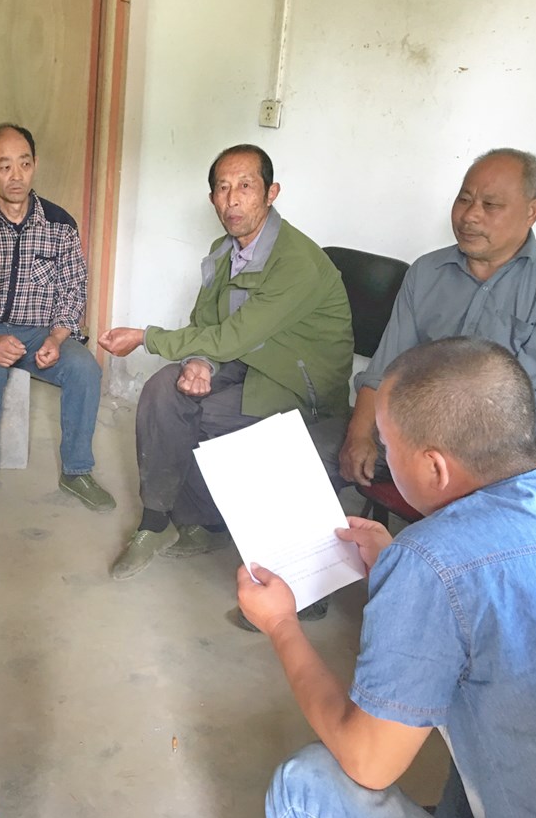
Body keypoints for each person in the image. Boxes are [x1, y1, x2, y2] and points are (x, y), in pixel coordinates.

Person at [242, 337, 536, 818]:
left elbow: (367, 761)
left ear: (434, 467)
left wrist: (281, 623)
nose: (383, 457)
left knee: (303, 786)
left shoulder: (430, 561)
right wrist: (399, 567)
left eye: (386, 445)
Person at [99, 144, 352, 586]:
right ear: (212, 198)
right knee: (164, 390)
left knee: (197, 414)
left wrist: (145, 336)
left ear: (271, 192)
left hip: (296, 384)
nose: (232, 199)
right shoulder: (224, 250)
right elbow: (208, 323)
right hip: (247, 362)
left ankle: (211, 522)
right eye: (222, 188)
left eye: (245, 186)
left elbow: (234, 337)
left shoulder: (296, 262)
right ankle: (157, 523)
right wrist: (199, 362)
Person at [335, 148, 536, 486]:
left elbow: (531, 423)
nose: (470, 215)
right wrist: (358, 436)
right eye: (464, 199)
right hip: (406, 436)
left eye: (491, 205)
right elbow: (384, 371)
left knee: (464, 517)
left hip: (502, 461)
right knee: (297, 458)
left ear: (532, 211)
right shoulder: (427, 272)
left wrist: (436, 461)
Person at [0, 124, 115, 522]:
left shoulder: (60, 224)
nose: (16, 176)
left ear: (35, 165)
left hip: (39, 333)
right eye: (4, 166)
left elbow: (73, 292)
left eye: (24, 164)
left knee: (85, 369)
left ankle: (77, 471)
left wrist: (57, 338)